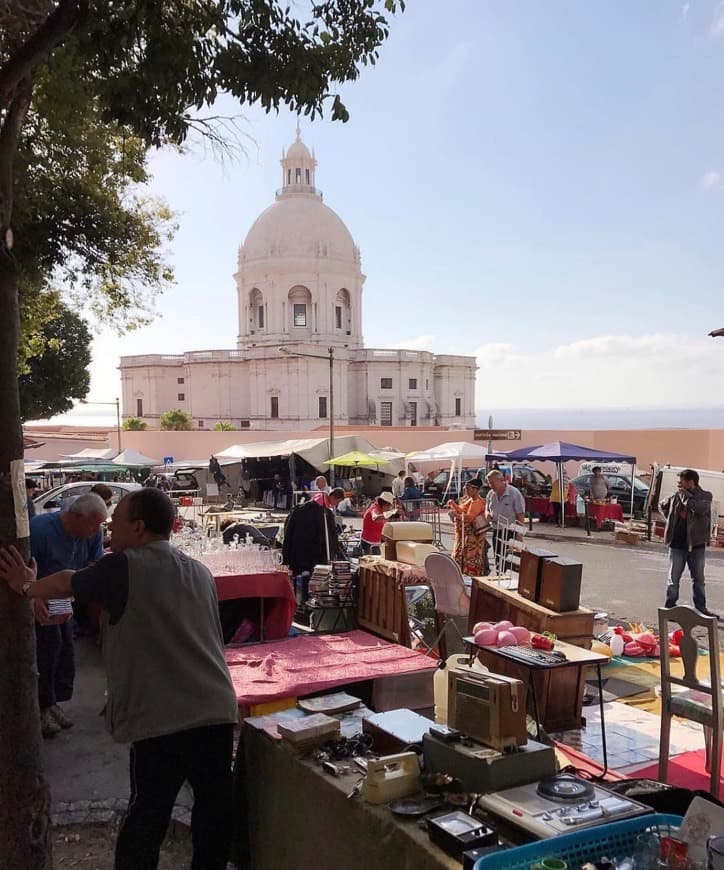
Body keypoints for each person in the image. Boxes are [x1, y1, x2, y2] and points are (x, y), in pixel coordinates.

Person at [0, 488, 239, 868]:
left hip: (162, 718)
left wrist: (26, 586)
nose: (110, 528)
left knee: (146, 816)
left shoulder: (126, 565)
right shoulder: (200, 571)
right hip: (215, 710)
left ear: (139, 527)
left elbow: (66, 582)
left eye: (117, 522)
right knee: (213, 815)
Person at [31, 493, 107, 737]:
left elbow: (95, 564)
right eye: (92, 524)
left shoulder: (93, 534)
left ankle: (53, 702)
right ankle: (42, 707)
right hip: (39, 598)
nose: (96, 530)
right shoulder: (40, 530)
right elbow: (23, 569)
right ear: (74, 516)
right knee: (46, 650)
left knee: (64, 652)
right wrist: (33, 597)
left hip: (65, 600)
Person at [661, 469, 718, 617]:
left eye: (682, 482)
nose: (679, 485)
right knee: (673, 580)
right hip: (677, 545)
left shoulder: (705, 496)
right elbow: (662, 505)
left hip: (696, 545)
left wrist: (683, 494)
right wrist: (670, 520)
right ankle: (670, 608)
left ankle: (701, 609)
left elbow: (700, 508)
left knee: (698, 579)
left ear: (691, 482)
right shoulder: (677, 495)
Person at [282, 487, 346, 574]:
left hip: (298, 547)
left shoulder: (304, 506)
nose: (336, 505)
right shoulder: (323, 512)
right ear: (333, 497)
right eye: (337, 502)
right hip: (312, 551)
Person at [485, 470, 526, 572]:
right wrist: (487, 514)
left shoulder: (514, 493)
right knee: (499, 562)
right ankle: (500, 579)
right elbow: (486, 508)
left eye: (493, 483)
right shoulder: (491, 494)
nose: (491, 486)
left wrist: (518, 536)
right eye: (489, 483)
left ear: (501, 480)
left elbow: (520, 515)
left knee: (512, 564)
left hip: (512, 532)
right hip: (497, 531)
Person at [448, 478, 489, 576]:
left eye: (468, 488)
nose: (466, 490)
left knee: (471, 559)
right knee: (462, 558)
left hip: (473, 539)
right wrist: (453, 504)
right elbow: (462, 510)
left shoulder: (477, 502)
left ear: (475, 489)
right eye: (466, 488)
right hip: (464, 538)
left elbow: (469, 518)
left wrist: (456, 515)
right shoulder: (470, 500)